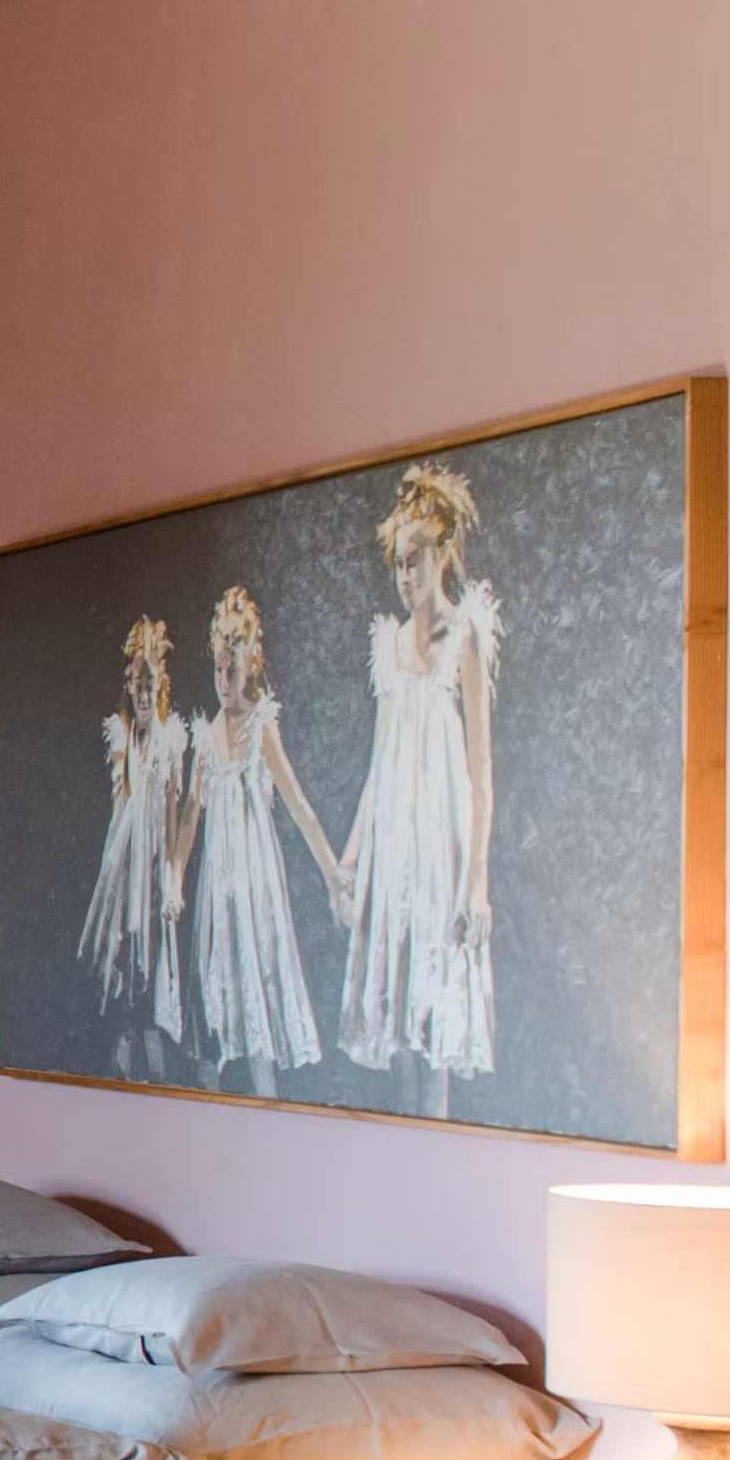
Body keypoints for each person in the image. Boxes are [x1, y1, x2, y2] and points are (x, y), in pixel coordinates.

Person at [337, 458, 503, 1110]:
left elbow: (481, 769)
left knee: (436, 1015)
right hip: (393, 849)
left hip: (444, 848)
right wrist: (351, 857)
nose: (407, 576)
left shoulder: (466, 635)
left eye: (417, 559)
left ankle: (437, 1141)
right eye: (399, 563)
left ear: (444, 552)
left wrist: (477, 885)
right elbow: (380, 767)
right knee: (395, 1021)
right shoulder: (389, 642)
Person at [182, 586, 335, 1098]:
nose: (224, 680)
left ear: (251, 663)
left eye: (233, 668)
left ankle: (268, 1103)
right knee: (222, 1004)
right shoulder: (206, 735)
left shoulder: (261, 726)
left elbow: (298, 806)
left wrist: (334, 874)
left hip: (256, 884)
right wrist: (173, 878)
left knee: (258, 1003)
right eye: (218, 667)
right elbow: (189, 812)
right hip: (220, 886)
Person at [74, 614, 189, 1074]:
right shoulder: (122, 738)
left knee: (151, 965)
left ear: (160, 685)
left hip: (154, 862)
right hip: (123, 864)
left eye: (151, 682)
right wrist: (109, 879)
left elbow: (170, 816)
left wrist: (169, 880)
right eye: (138, 682)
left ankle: (155, 1058)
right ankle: (121, 1055)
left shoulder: (169, 739)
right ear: (129, 683)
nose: (144, 692)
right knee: (117, 964)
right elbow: (120, 810)